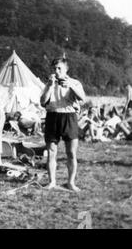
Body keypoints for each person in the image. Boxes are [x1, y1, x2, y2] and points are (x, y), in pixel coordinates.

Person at [40, 57, 86, 192]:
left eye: (59, 68)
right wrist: (49, 86)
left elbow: (83, 98)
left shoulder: (75, 82)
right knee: (51, 152)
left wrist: (70, 85)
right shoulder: (49, 83)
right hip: (53, 115)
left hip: (69, 116)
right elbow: (43, 102)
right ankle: (52, 182)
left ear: (66, 69)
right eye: (54, 68)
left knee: (71, 152)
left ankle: (71, 182)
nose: (56, 71)